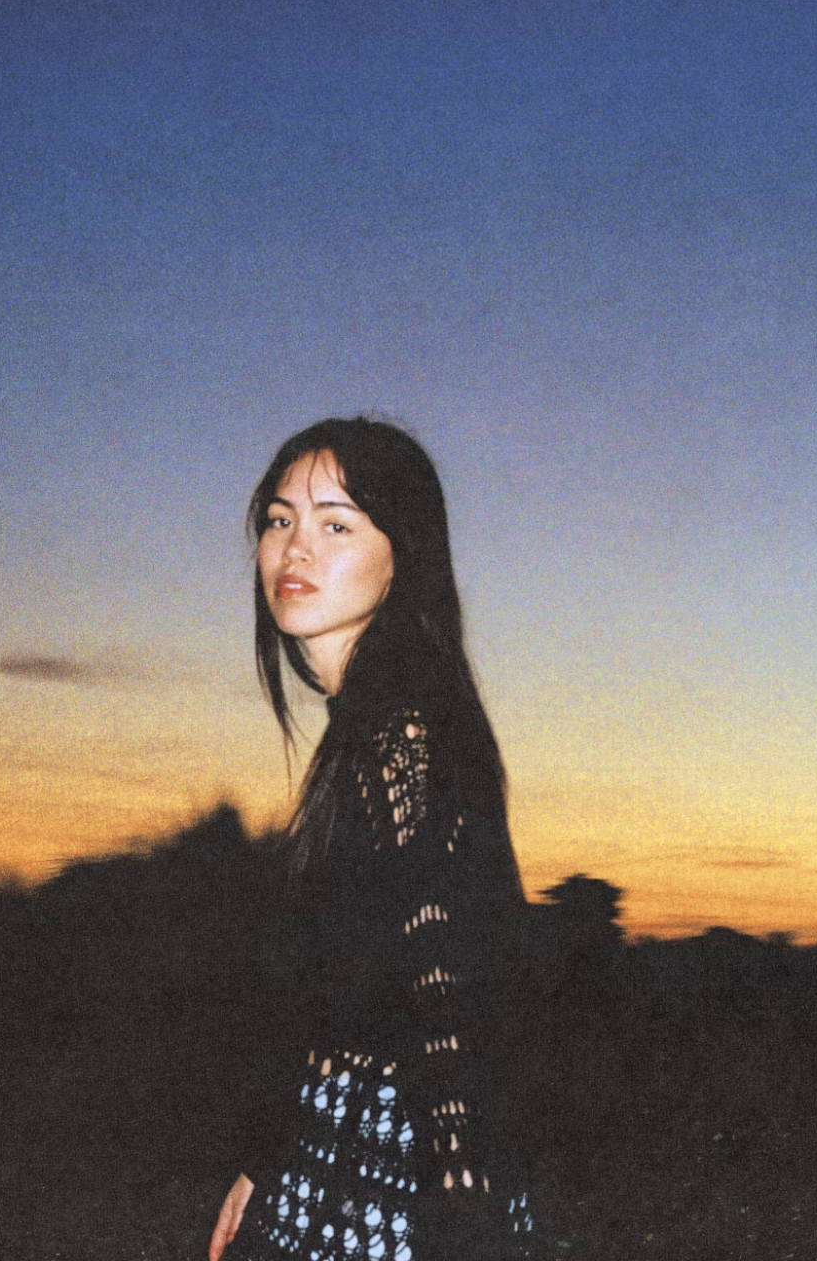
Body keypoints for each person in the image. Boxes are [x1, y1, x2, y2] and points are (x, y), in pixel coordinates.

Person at [209, 418, 543, 1261]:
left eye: (337, 524)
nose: (296, 550)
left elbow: (447, 976)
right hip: (336, 1153)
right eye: (280, 520)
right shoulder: (377, 721)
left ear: (404, 558)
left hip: (386, 1179)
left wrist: (463, 1203)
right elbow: (349, 984)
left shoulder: (401, 728)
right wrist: (263, 1160)